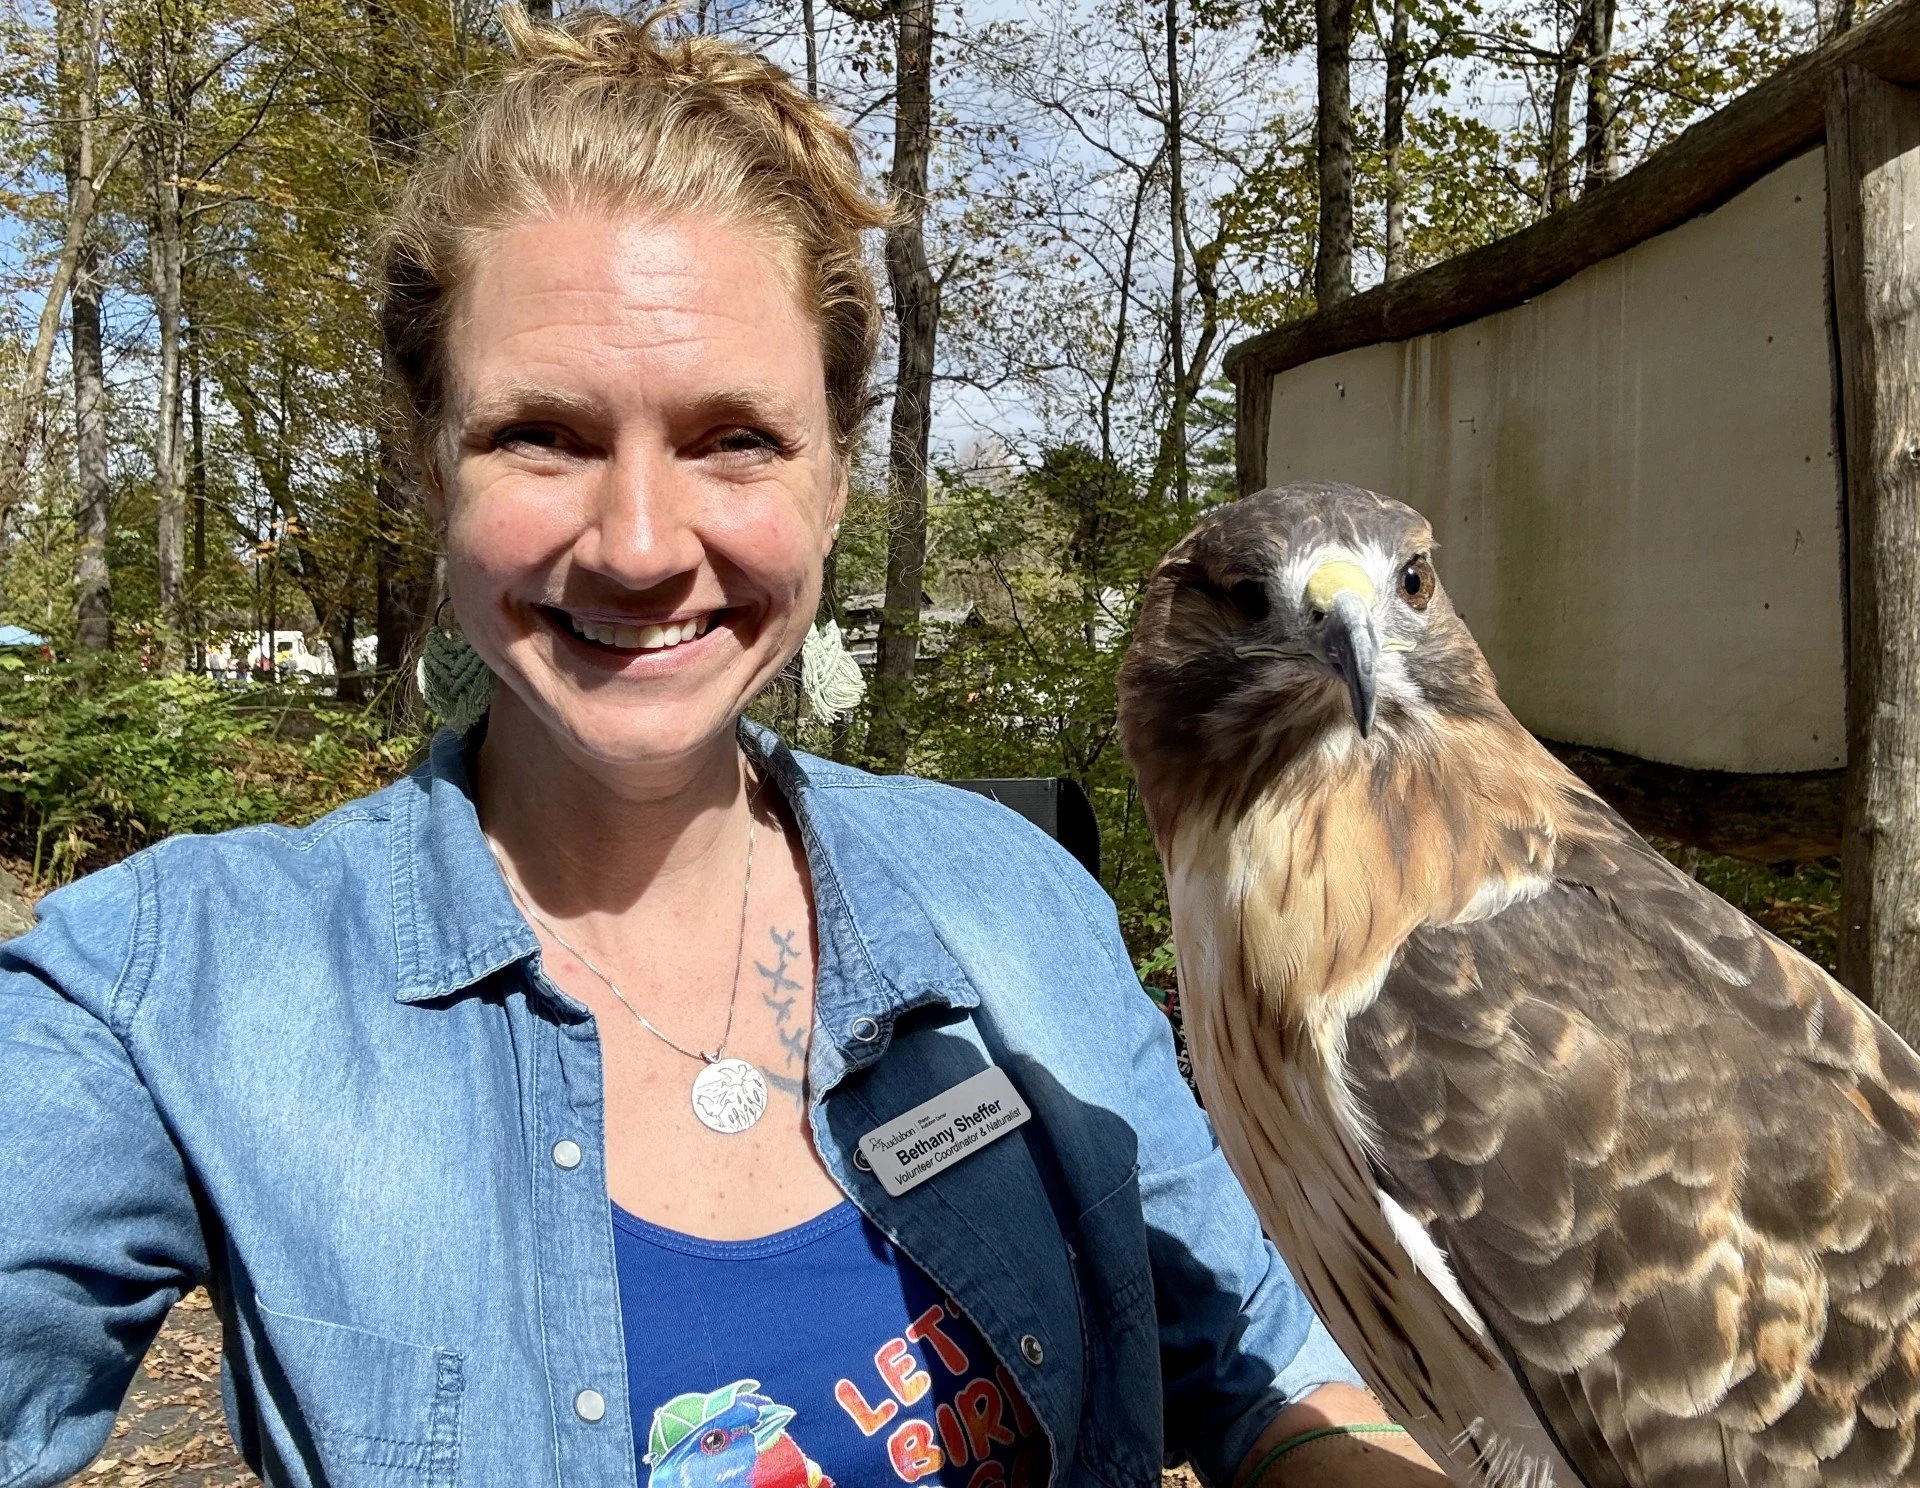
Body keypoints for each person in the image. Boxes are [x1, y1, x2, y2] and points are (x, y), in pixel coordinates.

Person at [0, 12, 1445, 1488]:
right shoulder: (169, 986)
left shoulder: (1018, 901)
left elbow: (1256, 1365)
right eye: (541, 436)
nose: (638, 545)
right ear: (426, 462)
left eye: (733, 439)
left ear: (832, 475)